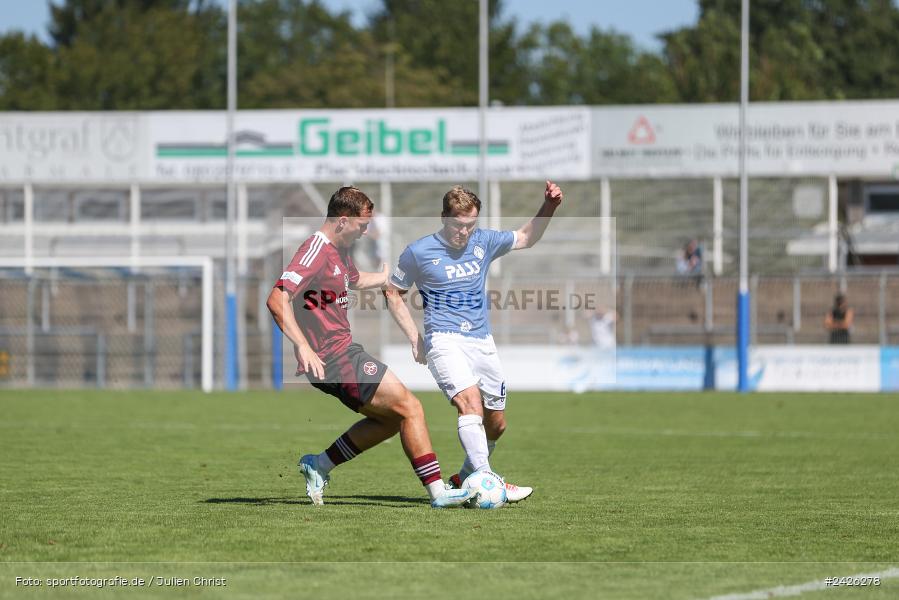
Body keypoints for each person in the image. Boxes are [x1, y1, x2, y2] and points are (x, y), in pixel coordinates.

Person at [266, 186, 474, 509]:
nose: (364, 233)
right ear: (342, 221)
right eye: (362, 226)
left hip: (343, 354)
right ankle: (438, 492)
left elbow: (352, 278)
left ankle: (319, 465)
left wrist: (383, 277)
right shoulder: (316, 249)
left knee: (391, 420)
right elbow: (277, 298)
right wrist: (303, 346)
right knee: (411, 407)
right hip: (334, 360)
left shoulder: (339, 250)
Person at [385, 181, 564, 504]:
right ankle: (487, 477)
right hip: (444, 338)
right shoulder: (418, 251)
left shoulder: (484, 241)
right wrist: (415, 338)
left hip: (481, 341)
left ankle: (467, 476)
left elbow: (526, 237)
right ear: (444, 217)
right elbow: (392, 292)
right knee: (470, 403)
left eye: (470, 225)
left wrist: (549, 206)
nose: (464, 232)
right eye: (458, 225)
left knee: (496, 424)